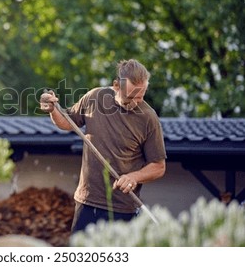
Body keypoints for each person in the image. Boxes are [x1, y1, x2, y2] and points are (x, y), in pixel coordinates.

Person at [40, 59, 166, 233]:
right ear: (116, 86)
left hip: (123, 209)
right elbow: (67, 122)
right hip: (87, 202)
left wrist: (134, 177)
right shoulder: (95, 98)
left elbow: (158, 166)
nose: (137, 102)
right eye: (131, 97)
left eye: (141, 95)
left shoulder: (149, 118)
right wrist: (53, 110)